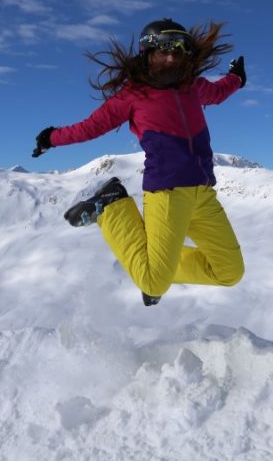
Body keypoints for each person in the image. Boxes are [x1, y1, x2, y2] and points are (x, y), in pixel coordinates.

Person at [33, 18, 246, 306]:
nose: (171, 58)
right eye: (163, 51)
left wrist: (237, 79)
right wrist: (52, 138)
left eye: (178, 51)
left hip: (204, 195)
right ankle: (111, 206)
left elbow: (218, 94)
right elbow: (91, 127)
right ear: (148, 53)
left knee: (229, 272)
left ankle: (159, 267)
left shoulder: (192, 86)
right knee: (153, 282)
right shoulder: (133, 95)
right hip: (167, 194)